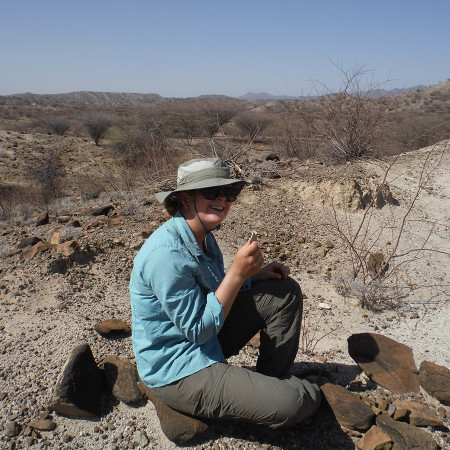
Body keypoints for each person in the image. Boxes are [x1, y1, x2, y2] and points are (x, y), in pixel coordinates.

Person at [130, 158, 321, 434]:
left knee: (284, 291)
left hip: (208, 340)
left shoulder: (204, 237)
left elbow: (215, 290)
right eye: (211, 191)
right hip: (178, 368)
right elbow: (198, 330)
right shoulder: (165, 255)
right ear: (185, 199)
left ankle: (271, 380)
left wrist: (252, 276)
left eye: (228, 192)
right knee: (296, 402)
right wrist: (236, 274)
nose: (222, 199)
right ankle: (299, 392)